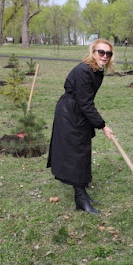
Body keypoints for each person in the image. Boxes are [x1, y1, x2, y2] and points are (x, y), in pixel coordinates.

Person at [47, 39, 115, 214]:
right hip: (70, 113)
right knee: (76, 152)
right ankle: (80, 197)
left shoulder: (97, 71)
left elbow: (86, 102)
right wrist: (103, 126)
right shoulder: (84, 71)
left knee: (83, 149)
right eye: (101, 52)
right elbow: (86, 103)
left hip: (79, 111)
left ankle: (82, 192)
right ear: (93, 52)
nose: (105, 56)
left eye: (108, 53)